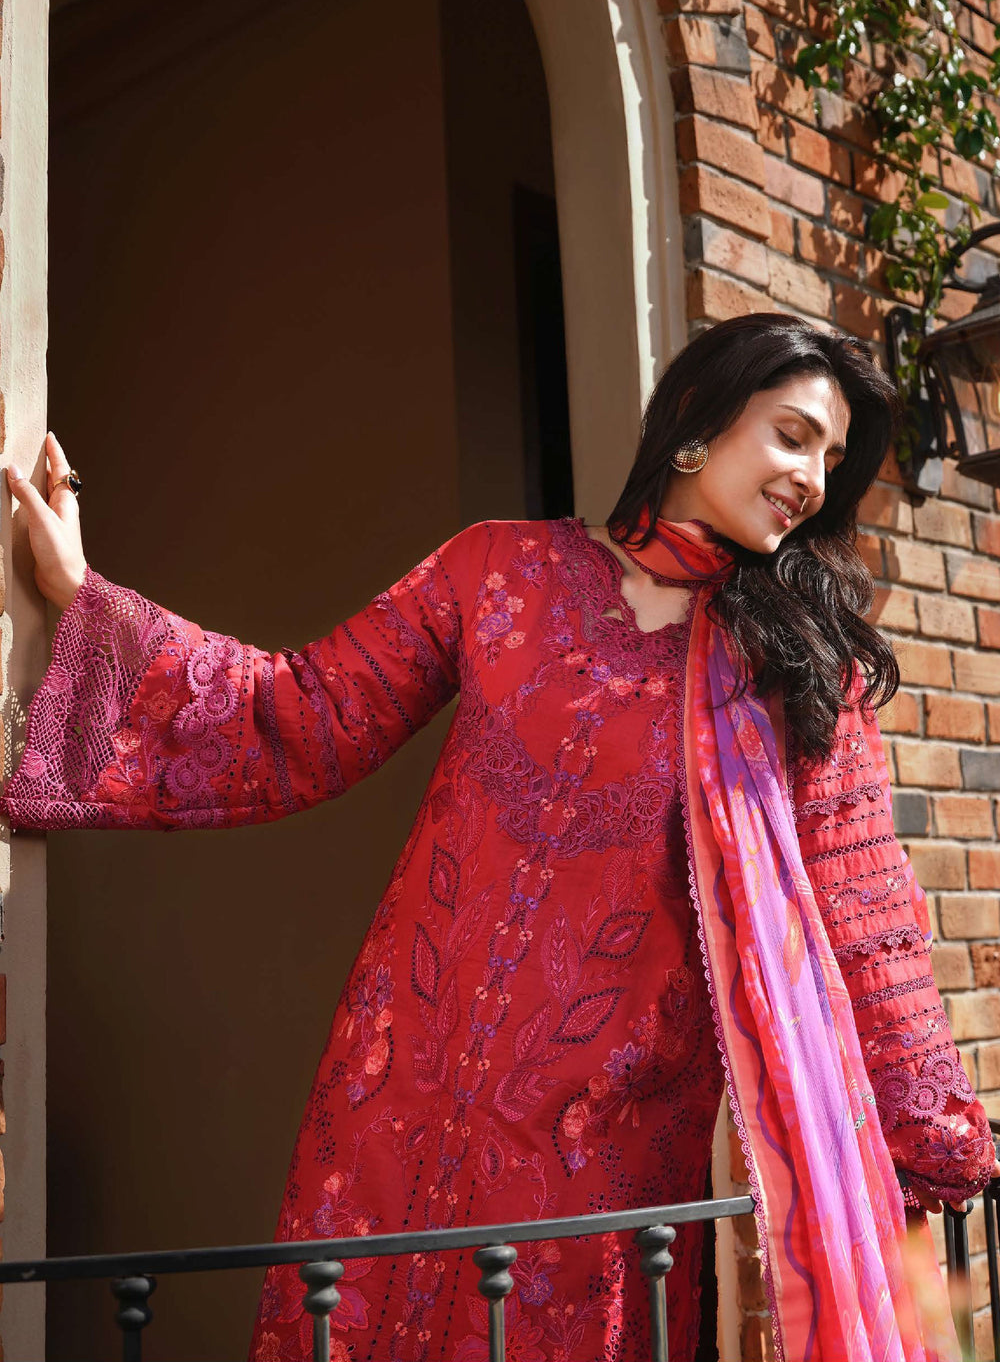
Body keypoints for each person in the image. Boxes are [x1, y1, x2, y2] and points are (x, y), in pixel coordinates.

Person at [2, 311, 996, 1362]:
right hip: (393, 1108)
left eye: (831, 460)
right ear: (695, 419)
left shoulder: (800, 675)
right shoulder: (500, 570)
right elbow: (301, 714)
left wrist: (933, 1144)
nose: (811, 478)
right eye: (792, 435)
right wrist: (81, 596)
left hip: (602, 1165)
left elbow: (863, 915)